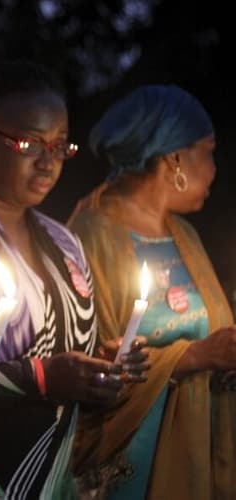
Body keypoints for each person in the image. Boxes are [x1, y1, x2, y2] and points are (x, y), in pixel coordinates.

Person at [0, 60, 148, 499]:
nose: (48, 162)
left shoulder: (63, 244)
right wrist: (39, 378)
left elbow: (64, 349)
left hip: (59, 476)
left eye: (60, 145)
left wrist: (102, 365)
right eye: (28, 142)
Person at [68, 84, 236, 500]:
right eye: (208, 151)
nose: (215, 168)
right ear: (174, 156)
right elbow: (89, 362)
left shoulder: (185, 236)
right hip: (130, 463)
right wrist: (194, 356)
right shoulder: (91, 235)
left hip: (196, 452)